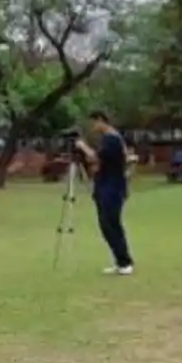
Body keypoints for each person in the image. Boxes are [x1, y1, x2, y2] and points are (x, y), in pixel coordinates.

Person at [76, 110, 134, 275]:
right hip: (104, 185)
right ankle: (119, 259)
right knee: (105, 224)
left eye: (94, 123)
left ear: (101, 121)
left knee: (111, 223)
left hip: (112, 187)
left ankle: (125, 261)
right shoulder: (108, 140)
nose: (93, 127)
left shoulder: (112, 139)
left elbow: (95, 157)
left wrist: (82, 146)